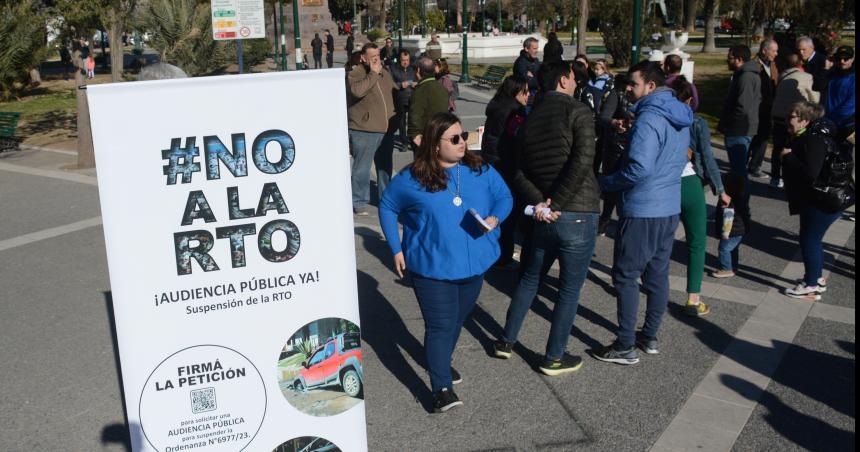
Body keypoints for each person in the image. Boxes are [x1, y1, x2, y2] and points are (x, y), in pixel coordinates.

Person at [379, 112, 512, 412]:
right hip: (432, 268)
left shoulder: (480, 169)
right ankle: (441, 388)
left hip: (475, 265)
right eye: (454, 139)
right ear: (435, 145)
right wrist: (396, 248)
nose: (463, 142)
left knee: (456, 320)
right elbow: (387, 205)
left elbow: (505, 196)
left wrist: (496, 216)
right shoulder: (412, 177)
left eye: (464, 136)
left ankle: (439, 362)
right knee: (440, 325)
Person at [493, 61, 601, 375]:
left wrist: (542, 203)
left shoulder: (530, 118)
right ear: (565, 79)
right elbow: (583, 161)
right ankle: (554, 355)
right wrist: (558, 203)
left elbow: (519, 172)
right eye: (573, 77)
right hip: (576, 212)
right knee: (568, 289)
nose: (576, 82)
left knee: (529, 278)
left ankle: (506, 340)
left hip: (543, 214)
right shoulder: (578, 111)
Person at [593, 61, 692, 364]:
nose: (627, 90)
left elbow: (639, 168)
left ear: (650, 85)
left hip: (643, 207)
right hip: (668, 206)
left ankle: (625, 345)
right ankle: (648, 336)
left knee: (625, 276)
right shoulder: (678, 113)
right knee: (658, 275)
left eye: (633, 85)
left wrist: (605, 182)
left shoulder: (650, 117)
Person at [670, 76, 732, 316]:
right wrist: (720, 189)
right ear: (689, 99)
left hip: (664, 184)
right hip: (690, 183)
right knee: (696, 243)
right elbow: (707, 157)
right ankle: (693, 299)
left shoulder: (657, 118)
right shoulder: (696, 122)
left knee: (659, 240)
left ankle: (652, 287)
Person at [781, 102, 847, 300]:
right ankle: (816, 279)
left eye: (791, 116)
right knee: (813, 239)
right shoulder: (808, 137)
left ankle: (810, 285)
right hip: (822, 199)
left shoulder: (813, 140)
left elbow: (811, 174)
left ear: (804, 120)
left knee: (809, 240)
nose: (787, 119)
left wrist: (789, 157)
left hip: (822, 201)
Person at [481, 76, 530, 265]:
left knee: (496, 206)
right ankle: (503, 255)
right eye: (525, 92)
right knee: (507, 210)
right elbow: (516, 140)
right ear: (515, 92)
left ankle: (498, 252)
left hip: (493, 161)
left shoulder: (497, 105)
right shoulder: (512, 112)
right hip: (505, 163)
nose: (528, 95)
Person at [347, 43, 396, 216]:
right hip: (364, 128)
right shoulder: (356, 73)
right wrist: (373, 74)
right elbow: (357, 91)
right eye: (372, 56)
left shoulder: (384, 73)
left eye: (378, 55)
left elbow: (393, 90)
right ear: (363, 58)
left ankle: (386, 198)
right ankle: (359, 201)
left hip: (385, 128)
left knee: (384, 167)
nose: (377, 58)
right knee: (362, 168)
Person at [770, 52, 819, 188]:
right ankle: (789, 178)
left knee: (777, 148)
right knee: (794, 149)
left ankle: (774, 177)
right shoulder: (807, 77)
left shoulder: (782, 75)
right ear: (801, 63)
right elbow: (814, 99)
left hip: (778, 116)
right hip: (794, 118)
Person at [718, 45, 761, 190]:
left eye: (730, 58)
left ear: (739, 59)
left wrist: (729, 124)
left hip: (739, 129)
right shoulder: (743, 74)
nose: (727, 61)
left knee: (738, 172)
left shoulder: (746, 77)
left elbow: (743, 106)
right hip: (739, 128)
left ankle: (741, 204)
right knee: (738, 170)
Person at [596, 73, 633, 236]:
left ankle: (625, 222)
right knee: (612, 185)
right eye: (629, 85)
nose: (631, 88)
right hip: (616, 145)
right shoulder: (616, 94)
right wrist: (614, 122)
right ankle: (604, 219)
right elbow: (603, 117)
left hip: (634, 144)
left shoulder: (644, 97)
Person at [747, 39, 779, 179]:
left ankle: (755, 165)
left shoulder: (772, 65)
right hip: (756, 108)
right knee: (752, 137)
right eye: (774, 51)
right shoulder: (754, 66)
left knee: (763, 138)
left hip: (768, 109)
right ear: (764, 50)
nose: (776, 54)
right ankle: (744, 163)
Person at [712, 174, 751, 279]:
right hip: (740, 230)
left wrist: (725, 233)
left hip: (731, 231)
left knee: (723, 249)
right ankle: (734, 266)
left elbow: (728, 220)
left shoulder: (728, 202)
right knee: (733, 249)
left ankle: (726, 269)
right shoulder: (741, 198)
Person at [408, 56, 450, 147]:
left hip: (425, 137)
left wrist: (414, 136)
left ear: (418, 71)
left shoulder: (420, 90)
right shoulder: (441, 87)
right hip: (440, 133)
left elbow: (415, 115)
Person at [824, 46, 855, 144]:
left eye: (846, 58)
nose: (842, 61)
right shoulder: (831, 75)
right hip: (829, 122)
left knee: (843, 156)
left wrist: (831, 119)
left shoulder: (853, 78)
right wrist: (826, 68)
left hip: (846, 124)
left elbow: (851, 105)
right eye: (839, 58)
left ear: (852, 59)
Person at [390, 50, 417, 144]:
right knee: (401, 122)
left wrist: (416, 84)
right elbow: (390, 83)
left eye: (407, 60)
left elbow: (420, 79)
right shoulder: (393, 68)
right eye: (403, 60)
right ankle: (404, 140)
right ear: (399, 60)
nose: (405, 62)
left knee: (413, 121)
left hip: (413, 98)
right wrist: (400, 85)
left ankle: (413, 140)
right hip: (400, 98)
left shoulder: (413, 68)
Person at [514, 37, 540, 108]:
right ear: (526, 49)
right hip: (524, 98)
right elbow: (527, 81)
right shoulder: (521, 62)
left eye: (537, 48)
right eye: (534, 48)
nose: (537, 51)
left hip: (536, 96)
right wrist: (540, 80)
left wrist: (535, 77)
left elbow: (541, 74)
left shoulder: (536, 60)